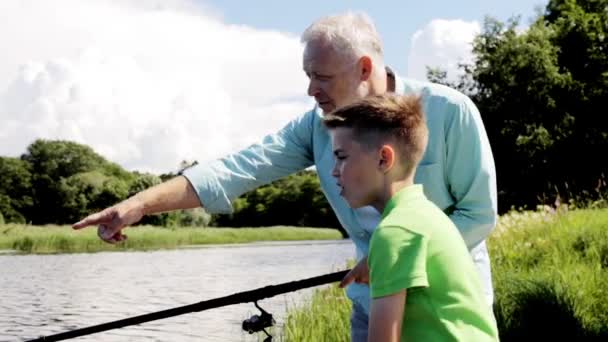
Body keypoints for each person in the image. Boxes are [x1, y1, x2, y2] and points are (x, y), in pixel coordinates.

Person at [73, 12, 497, 341]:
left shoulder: (449, 112)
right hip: (371, 306)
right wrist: (137, 205)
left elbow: (478, 214)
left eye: (322, 77)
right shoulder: (316, 126)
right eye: (308, 76)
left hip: (448, 311)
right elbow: (238, 169)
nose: (312, 90)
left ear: (364, 68)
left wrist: (391, 259)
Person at [324, 93, 499, 341]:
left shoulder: (395, 232)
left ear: (384, 159)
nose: (333, 171)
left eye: (341, 157)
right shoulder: (426, 216)